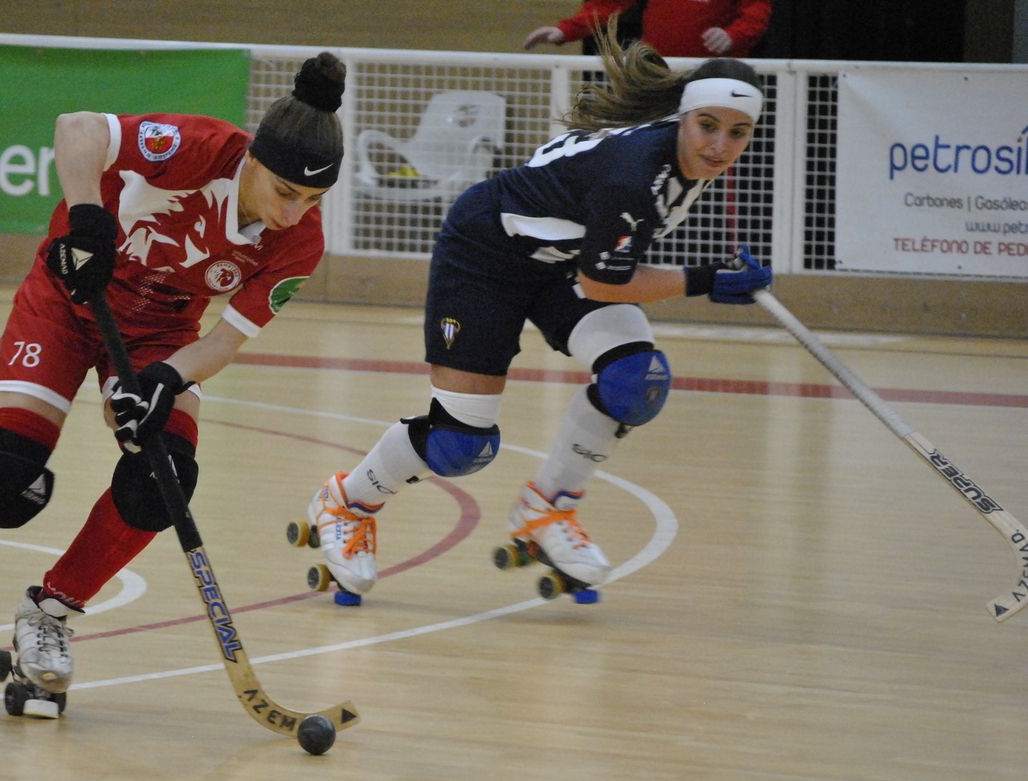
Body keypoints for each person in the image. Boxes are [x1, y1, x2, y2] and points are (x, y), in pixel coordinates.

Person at [0, 53, 347, 717]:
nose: (294, 214)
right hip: (69, 299)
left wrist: (164, 379)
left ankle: (51, 612)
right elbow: (78, 128)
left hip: (162, 329)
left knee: (162, 479)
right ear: (254, 159)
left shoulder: (299, 246)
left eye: (313, 200)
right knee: (6, 474)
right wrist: (90, 221)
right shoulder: (199, 147)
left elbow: (224, 342)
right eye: (285, 192)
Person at [299, 27, 771, 600]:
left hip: (557, 262)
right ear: (683, 118)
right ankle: (346, 502)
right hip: (486, 256)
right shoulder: (636, 176)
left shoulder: (681, 162)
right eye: (709, 127)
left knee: (635, 379)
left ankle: (546, 510)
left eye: (738, 133)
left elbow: (597, 263)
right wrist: (706, 281)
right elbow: (605, 282)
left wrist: (709, 276)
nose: (720, 146)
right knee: (460, 445)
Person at [524, 0, 771, 58]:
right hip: (656, 75)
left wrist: (732, 35)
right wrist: (565, 31)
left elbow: (756, 13)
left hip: (712, 76)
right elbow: (609, 4)